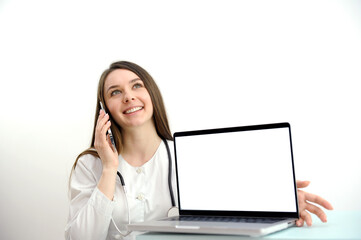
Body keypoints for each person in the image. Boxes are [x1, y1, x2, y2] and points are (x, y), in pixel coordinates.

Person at [65, 61, 333, 240]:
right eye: (115, 92)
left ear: (151, 94)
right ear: (104, 110)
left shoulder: (187, 156)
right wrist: (109, 169)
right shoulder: (90, 165)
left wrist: (279, 203)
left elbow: (230, 203)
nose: (129, 96)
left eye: (137, 85)